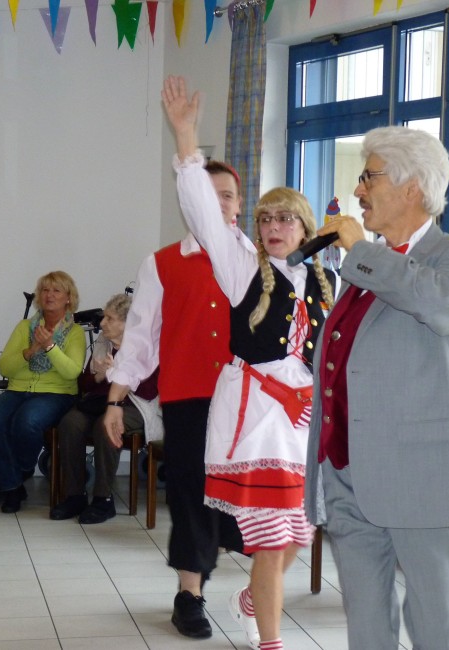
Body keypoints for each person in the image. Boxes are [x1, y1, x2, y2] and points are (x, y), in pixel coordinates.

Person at [303, 125, 449, 649]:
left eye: (369, 177)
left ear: (412, 188)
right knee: (365, 621)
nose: (358, 190)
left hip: (423, 474)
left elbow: (445, 307)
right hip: (348, 470)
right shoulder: (367, 265)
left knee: (435, 621)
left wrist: (364, 253)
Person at [161, 75, 336, 650]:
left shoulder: (324, 280)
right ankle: (271, 642)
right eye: (265, 219)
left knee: (298, 531)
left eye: (285, 219)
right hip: (256, 417)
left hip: (301, 421)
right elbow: (205, 215)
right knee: (270, 538)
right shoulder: (240, 267)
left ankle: (253, 600)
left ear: (305, 227)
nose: (274, 228)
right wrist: (186, 139)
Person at [103, 157, 254, 638]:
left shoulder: (258, 260)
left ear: (239, 203)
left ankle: (259, 591)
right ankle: (190, 594)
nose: (218, 204)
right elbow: (141, 339)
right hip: (188, 397)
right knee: (191, 491)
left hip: (249, 401)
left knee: (248, 495)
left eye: (226, 195)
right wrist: (114, 400)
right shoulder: (162, 263)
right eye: (207, 195)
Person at [49, 292, 159, 524]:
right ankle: (75, 495)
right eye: (104, 317)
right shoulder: (103, 343)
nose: (102, 323)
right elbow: (83, 384)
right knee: (70, 423)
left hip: (135, 406)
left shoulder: (147, 347)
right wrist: (99, 376)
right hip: (98, 402)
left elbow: (149, 391)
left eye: (110, 318)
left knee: (105, 426)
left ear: (128, 323)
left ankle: (103, 499)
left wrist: (118, 372)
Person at [0, 270, 85, 514]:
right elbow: (5, 367)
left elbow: (72, 372)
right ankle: (13, 487)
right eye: (45, 290)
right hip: (18, 389)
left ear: (68, 298)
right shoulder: (25, 327)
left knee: (27, 420)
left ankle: (20, 471)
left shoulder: (75, 332)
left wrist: (49, 346)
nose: (49, 295)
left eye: (56, 290)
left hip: (57, 393)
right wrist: (29, 352)